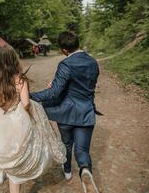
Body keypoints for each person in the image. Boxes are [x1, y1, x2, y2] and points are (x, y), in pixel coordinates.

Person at [0, 45, 66, 193]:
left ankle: (3, 172)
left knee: (2, 150)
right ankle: (11, 174)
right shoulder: (20, 80)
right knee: (17, 153)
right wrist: (22, 111)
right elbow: (26, 103)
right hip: (16, 124)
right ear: (14, 59)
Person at [30, 31, 100, 193]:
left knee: (67, 144)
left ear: (64, 50)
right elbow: (84, 86)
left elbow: (54, 92)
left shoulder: (66, 64)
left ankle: (67, 170)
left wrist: (30, 95)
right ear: (78, 44)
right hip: (86, 112)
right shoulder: (93, 63)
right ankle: (85, 169)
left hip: (66, 113)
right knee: (82, 150)